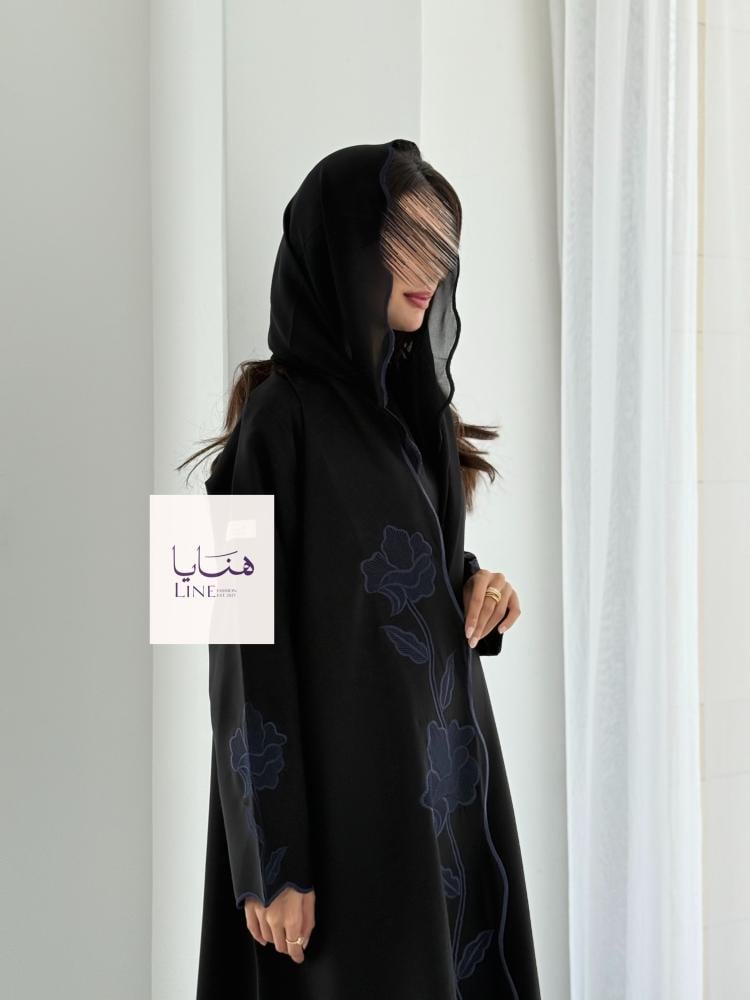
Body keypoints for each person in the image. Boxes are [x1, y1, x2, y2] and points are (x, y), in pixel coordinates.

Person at [182, 139, 541, 1000]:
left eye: (442, 243)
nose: (433, 266)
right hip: (339, 812)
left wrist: (476, 583)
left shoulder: (421, 411)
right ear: (343, 243)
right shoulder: (274, 419)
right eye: (407, 238)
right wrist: (271, 858)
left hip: (442, 792)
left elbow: (393, 566)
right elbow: (224, 635)